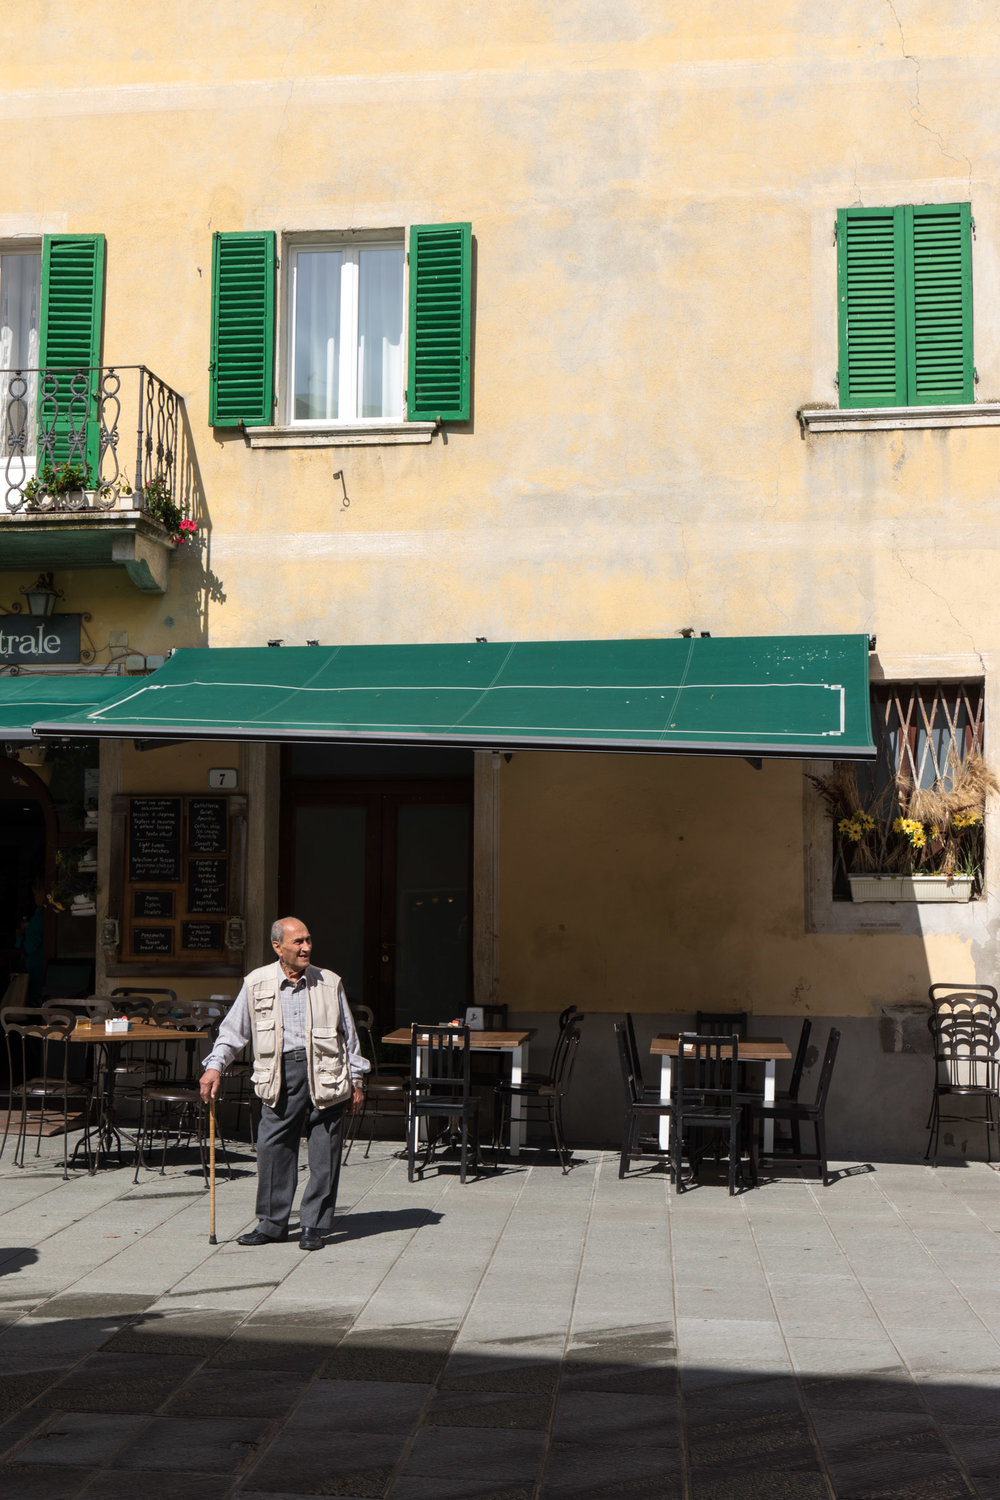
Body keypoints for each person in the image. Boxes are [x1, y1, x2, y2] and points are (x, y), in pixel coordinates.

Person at [199, 916, 369, 1250]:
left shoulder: (329, 982)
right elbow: (233, 1032)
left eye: (308, 940)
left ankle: (313, 1224)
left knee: (325, 1152)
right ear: (278, 947)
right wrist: (214, 1067)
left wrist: (357, 1078)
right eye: (298, 942)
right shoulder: (256, 982)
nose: (306, 947)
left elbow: (349, 1036)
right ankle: (273, 1224)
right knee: (272, 1147)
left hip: (326, 1072)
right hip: (280, 1074)